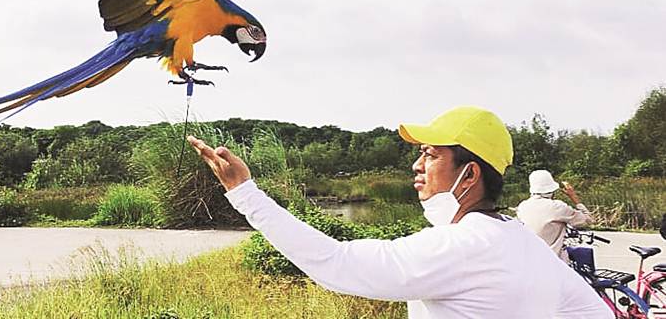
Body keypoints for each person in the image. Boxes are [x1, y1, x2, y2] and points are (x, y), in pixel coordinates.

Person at [188, 105, 611, 319]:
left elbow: (335, 263)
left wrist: (246, 194)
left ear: (469, 174)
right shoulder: (521, 240)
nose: (416, 165)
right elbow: (595, 313)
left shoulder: (463, 246)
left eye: (430, 154)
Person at [515, 169, 594, 261]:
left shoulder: (522, 206)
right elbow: (588, 220)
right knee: (582, 255)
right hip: (554, 261)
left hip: (529, 260)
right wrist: (573, 196)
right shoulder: (558, 207)